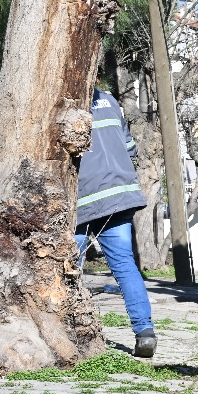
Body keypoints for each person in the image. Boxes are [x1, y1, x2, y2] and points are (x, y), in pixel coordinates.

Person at [76, 88, 155, 358]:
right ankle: (145, 333)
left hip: (82, 201)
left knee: (69, 270)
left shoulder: (63, 98)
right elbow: (129, 147)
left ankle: (72, 333)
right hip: (120, 195)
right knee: (124, 266)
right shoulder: (108, 99)